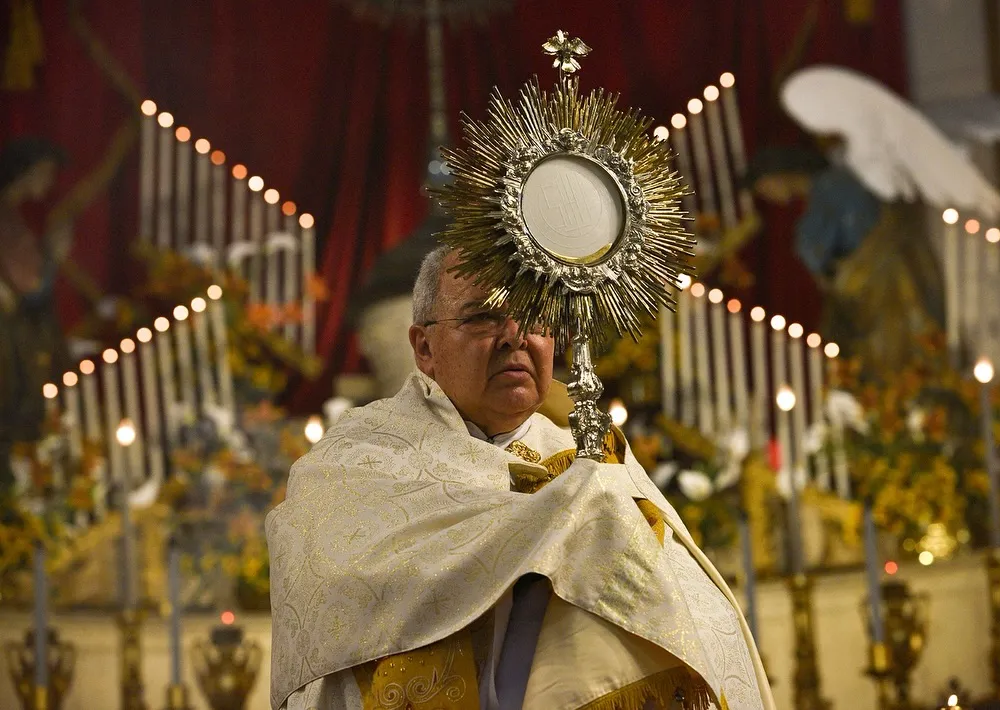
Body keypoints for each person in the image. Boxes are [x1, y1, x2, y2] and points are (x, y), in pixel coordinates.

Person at [267, 245, 774, 710]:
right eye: (484, 317)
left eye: (533, 318)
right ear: (424, 347)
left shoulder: (590, 465)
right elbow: (334, 603)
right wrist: (541, 525)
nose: (515, 335)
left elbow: (684, 618)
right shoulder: (357, 461)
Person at [745, 145, 945, 373]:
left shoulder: (830, 189)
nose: (769, 196)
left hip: (875, 280)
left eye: (764, 188)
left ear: (777, 174)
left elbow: (815, 250)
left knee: (889, 352)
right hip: (878, 278)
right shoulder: (830, 187)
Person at [0, 137, 71, 489]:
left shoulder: (11, 218)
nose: (48, 182)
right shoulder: (6, 221)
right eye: (44, 173)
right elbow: (29, 287)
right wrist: (53, 255)